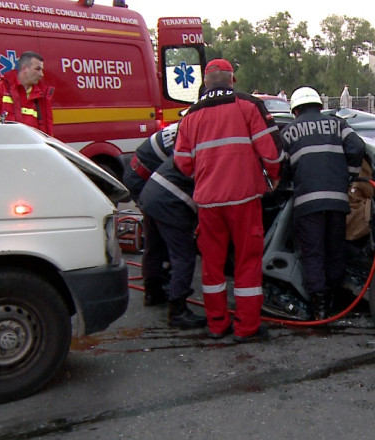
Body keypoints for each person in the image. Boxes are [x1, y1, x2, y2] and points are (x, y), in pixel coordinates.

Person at [174, 58, 284, 342]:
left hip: (208, 203)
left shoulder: (190, 116)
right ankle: (247, 328)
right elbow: (271, 151)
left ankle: (217, 324)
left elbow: (182, 161)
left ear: (205, 83)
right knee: (247, 262)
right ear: (232, 80)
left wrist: (204, 176)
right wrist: (274, 177)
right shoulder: (247, 105)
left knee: (212, 266)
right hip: (244, 198)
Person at [280, 86, 365, 320]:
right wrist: (350, 175)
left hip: (307, 204)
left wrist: (288, 183)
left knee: (313, 253)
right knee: (335, 250)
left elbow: (280, 166)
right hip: (337, 201)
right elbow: (358, 147)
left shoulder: (288, 132)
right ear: (319, 105)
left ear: (295, 110)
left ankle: (320, 306)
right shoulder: (338, 125)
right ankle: (336, 299)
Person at [137, 156, 207, 328]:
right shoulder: (221, 152)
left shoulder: (198, 144)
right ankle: (178, 311)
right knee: (184, 256)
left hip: (151, 191)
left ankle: (152, 293)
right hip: (170, 200)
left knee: (154, 248)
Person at [122, 123, 180, 307]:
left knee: (157, 236)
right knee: (162, 234)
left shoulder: (186, 124)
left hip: (142, 174)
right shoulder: (190, 132)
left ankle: (155, 286)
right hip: (143, 179)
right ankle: (156, 288)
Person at [0, 51, 54, 135]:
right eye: (37, 69)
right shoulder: (1, 87)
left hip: (30, 143)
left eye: (42, 70)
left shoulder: (42, 95)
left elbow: (47, 132)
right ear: (24, 68)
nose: (41, 74)